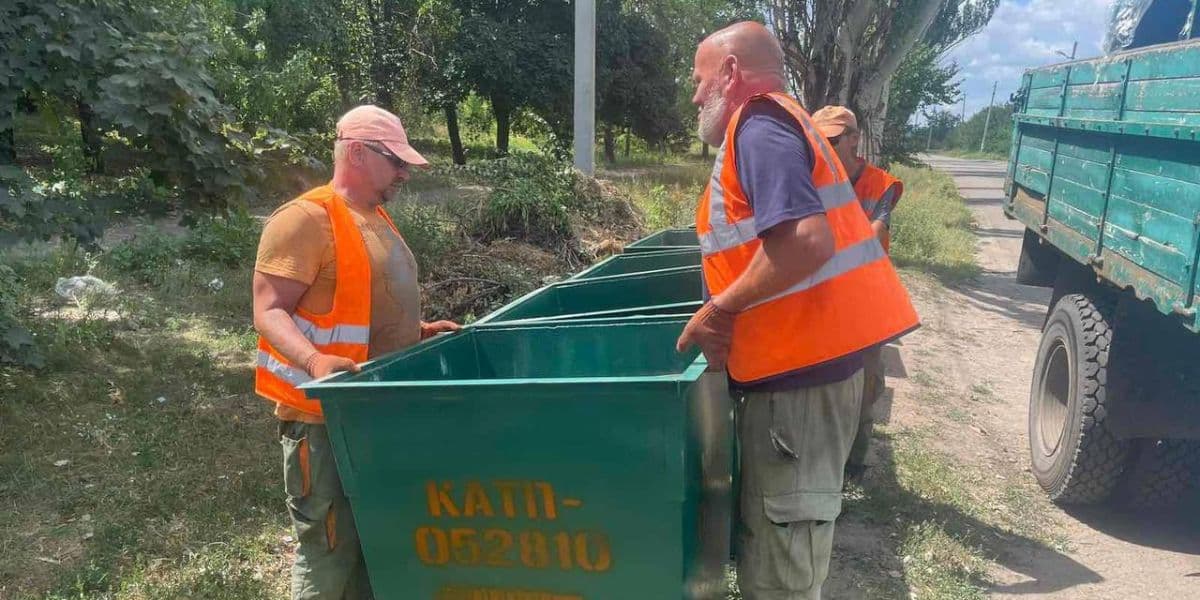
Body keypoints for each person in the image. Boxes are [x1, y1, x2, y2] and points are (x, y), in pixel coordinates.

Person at [675, 22, 919, 599]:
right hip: (795, 380)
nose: (693, 95)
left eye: (698, 78)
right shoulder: (774, 124)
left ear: (731, 73)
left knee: (782, 574)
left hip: (800, 391)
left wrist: (720, 313)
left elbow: (806, 242)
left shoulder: (758, 124)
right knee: (773, 549)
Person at [252, 105, 460, 599]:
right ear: (359, 154)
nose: (405, 173)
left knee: (374, 544)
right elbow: (268, 309)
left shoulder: (375, 216)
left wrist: (416, 333)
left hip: (375, 411)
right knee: (327, 553)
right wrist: (315, 363)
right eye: (397, 161)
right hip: (325, 419)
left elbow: (358, 302)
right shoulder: (305, 218)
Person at [811, 105, 905, 479]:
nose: (826, 147)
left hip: (865, 297)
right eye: (820, 140)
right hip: (823, 293)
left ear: (854, 139)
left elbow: (873, 234)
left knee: (865, 382)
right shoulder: (809, 179)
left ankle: (854, 463)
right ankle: (822, 458)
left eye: (833, 139)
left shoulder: (879, 185)